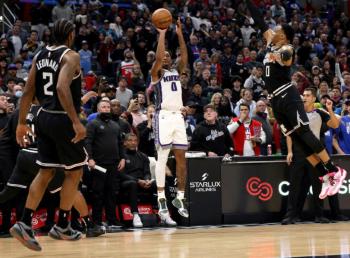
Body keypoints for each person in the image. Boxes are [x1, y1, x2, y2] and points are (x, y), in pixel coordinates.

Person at [245, 0, 345, 198]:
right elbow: (259, 20)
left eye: (278, 30)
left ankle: (334, 170)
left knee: (305, 133)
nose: (273, 30)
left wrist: (280, 57)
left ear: (284, 36)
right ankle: (325, 175)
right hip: (276, 101)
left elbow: (288, 57)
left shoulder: (286, 48)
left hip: (287, 95)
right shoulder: (270, 42)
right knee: (298, 142)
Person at [10, 19, 87, 251]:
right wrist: (76, 122)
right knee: (75, 172)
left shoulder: (40, 55)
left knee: (46, 171)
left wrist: (21, 123)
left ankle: (24, 221)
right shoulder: (70, 56)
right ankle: (63, 223)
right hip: (62, 119)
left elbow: (27, 91)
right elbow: (63, 88)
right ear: (71, 35)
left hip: (43, 117)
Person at [149, 18, 189, 226]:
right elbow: (157, 56)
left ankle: (180, 197)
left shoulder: (176, 71)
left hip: (178, 117)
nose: (165, 57)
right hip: (163, 116)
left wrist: (180, 34)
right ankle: (162, 202)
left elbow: (185, 56)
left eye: (167, 56)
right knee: (162, 158)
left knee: (182, 159)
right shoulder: (156, 74)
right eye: (162, 56)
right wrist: (162, 33)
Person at [283, 87, 340, 224]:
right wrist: (290, 151)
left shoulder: (320, 112)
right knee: (295, 185)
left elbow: (335, 124)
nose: (304, 97)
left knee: (317, 185)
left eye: (308, 95)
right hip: (298, 152)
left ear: (314, 98)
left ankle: (319, 215)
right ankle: (291, 215)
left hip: (315, 154)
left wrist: (330, 109)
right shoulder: (296, 113)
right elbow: (289, 134)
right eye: (303, 95)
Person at [85, 100, 125, 231]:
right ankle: (96, 221)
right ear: (98, 109)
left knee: (112, 192)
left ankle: (112, 219)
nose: (107, 109)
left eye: (108, 107)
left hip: (114, 163)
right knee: (98, 193)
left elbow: (120, 144)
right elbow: (88, 143)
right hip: (98, 164)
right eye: (104, 107)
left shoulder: (115, 125)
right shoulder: (92, 124)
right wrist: (90, 158)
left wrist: (123, 158)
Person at [119, 133, 157, 228]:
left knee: (161, 183)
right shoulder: (121, 157)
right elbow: (122, 174)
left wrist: (147, 180)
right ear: (125, 143)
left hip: (142, 182)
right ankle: (135, 215)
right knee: (133, 183)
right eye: (130, 140)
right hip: (126, 183)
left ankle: (164, 213)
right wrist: (138, 180)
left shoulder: (143, 156)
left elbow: (147, 172)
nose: (133, 143)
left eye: (135, 141)